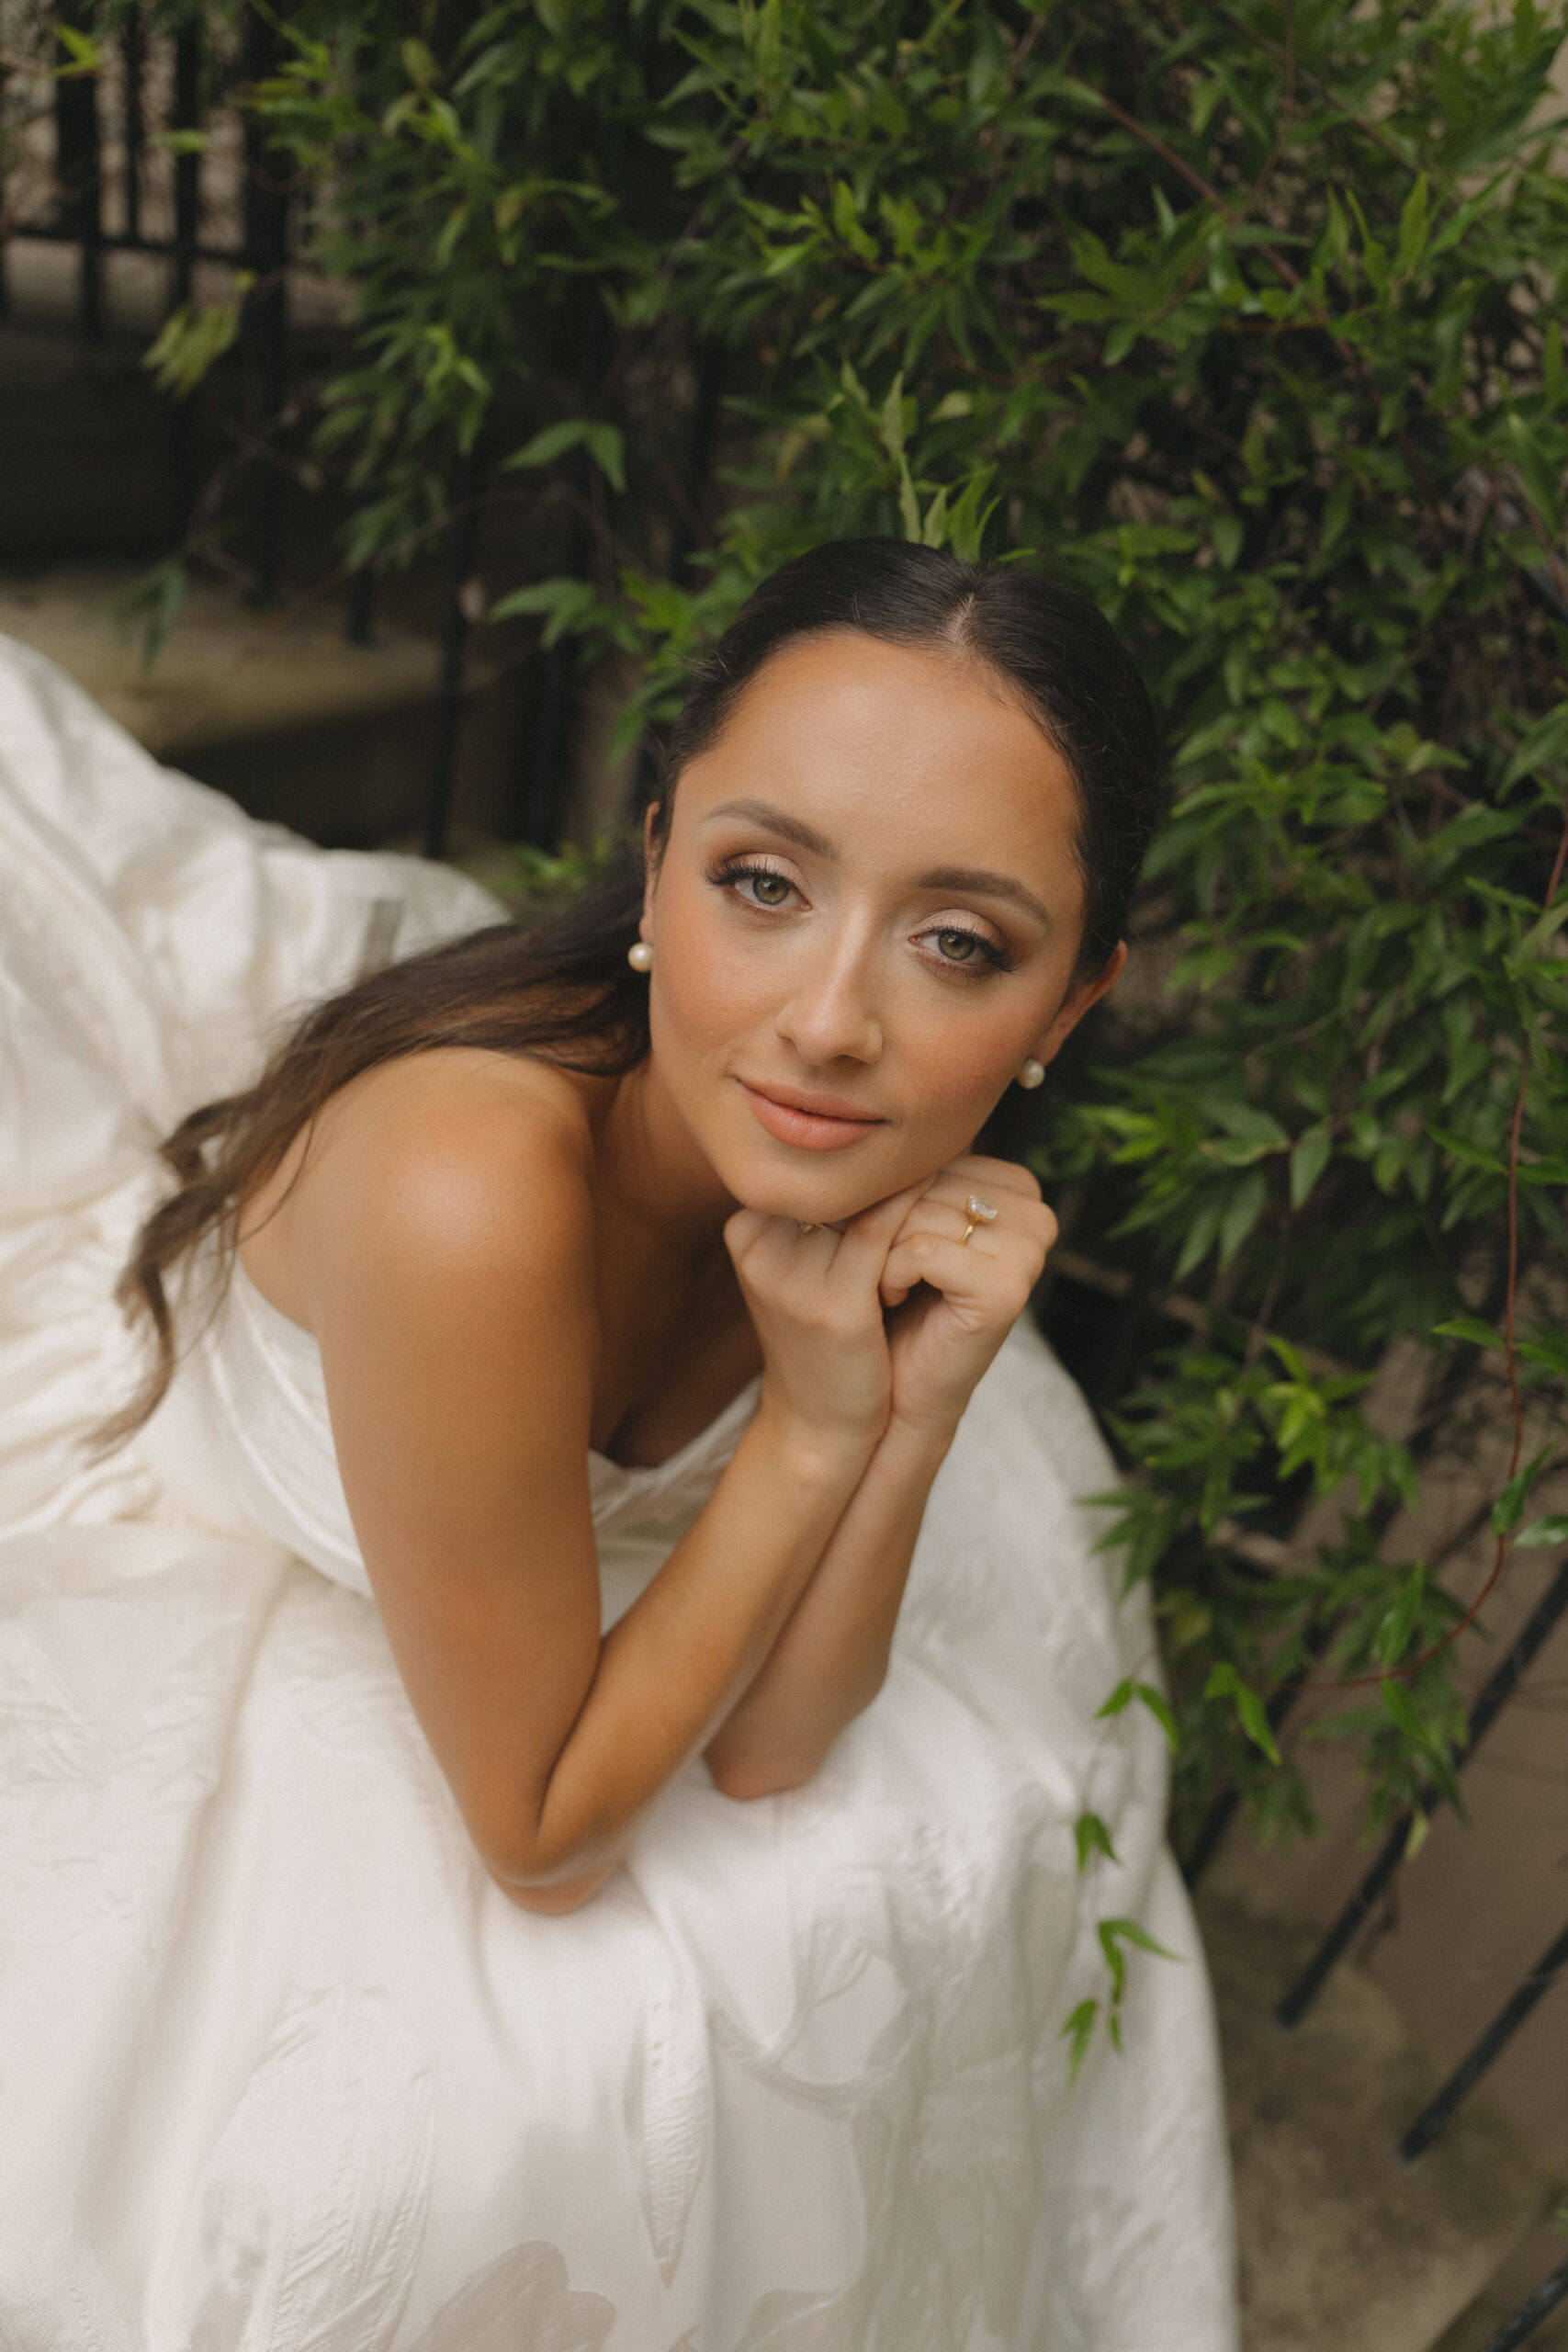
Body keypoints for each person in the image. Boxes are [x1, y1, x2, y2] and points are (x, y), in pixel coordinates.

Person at [0, 539, 1238, 2348]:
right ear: (654, 856)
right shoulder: (468, 1189)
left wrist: (917, 1395)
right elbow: (539, 1830)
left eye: (956, 940)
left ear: (1066, 1004)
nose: (827, 1018)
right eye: (762, 880)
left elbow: (773, 1744)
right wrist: (816, 1431)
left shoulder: (833, 1163)